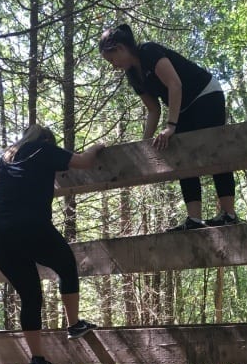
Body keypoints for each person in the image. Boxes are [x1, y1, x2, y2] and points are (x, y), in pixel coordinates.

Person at [0, 124, 105, 364]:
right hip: (31, 227)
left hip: (0, 236)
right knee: (66, 265)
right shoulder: (43, 148)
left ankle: (37, 359)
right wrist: (98, 147)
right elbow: (85, 162)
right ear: (47, 140)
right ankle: (74, 324)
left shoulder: (8, 156)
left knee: (30, 296)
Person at [99, 23, 239, 231]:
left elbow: (175, 84)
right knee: (181, 156)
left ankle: (228, 214)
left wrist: (171, 126)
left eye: (112, 59)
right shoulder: (132, 75)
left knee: (213, 150)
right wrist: (144, 144)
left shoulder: (149, 51)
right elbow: (153, 109)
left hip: (206, 95)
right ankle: (194, 219)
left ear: (120, 48)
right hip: (182, 107)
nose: (113, 65)